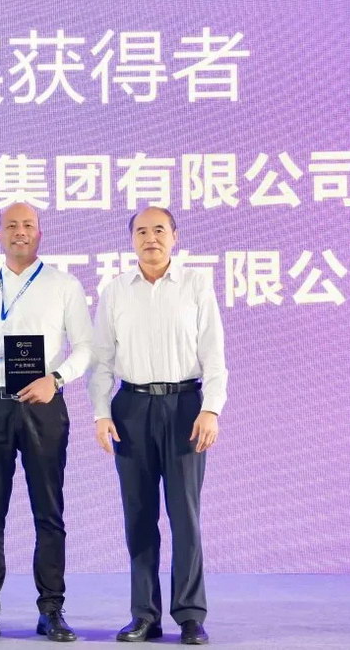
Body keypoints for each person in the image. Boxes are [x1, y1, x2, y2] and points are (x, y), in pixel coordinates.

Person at [0, 202, 92, 643]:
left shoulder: (64, 285)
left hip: (42, 405)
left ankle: (51, 609)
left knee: (48, 512)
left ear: (40, 233)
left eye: (28, 224)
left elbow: (87, 348)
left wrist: (57, 378)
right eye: (11, 225)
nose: (20, 231)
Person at [89, 206, 227, 645]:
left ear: (175, 236)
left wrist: (211, 409)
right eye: (142, 232)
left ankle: (190, 615)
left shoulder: (195, 284)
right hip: (131, 408)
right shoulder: (115, 291)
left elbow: (214, 354)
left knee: (185, 515)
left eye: (160, 230)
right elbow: (101, 361)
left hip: (186, 406)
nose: (151, 238)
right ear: (131, 240)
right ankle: (144, 615)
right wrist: (101, 413)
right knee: (139, 516)